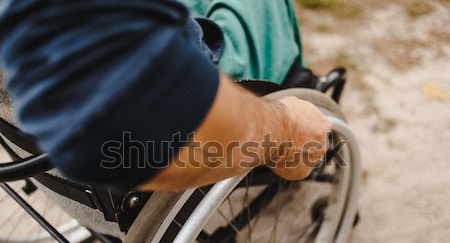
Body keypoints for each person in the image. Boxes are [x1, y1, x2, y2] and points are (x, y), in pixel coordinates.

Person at [0, 0, 331, 192]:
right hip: (206, 70)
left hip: (38, 149)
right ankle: (292, 77)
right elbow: (129, 110)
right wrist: (286, 131)